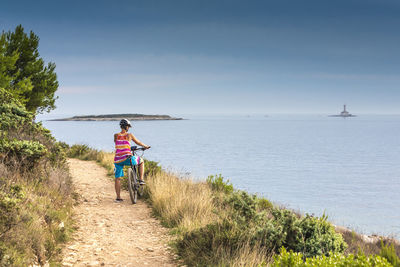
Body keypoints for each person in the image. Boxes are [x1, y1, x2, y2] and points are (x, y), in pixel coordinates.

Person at [114, 119, 150, 202]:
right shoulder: (129, 135)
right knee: (141, 161)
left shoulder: (115, 135)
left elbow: (118, 144)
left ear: (120, 126)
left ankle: (118, 197)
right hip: (127, 158)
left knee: (117, 178)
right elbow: (138, 142)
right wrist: (146, 146)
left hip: (117, 160)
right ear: (127, 127)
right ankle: (141, 179)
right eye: (128, 127)